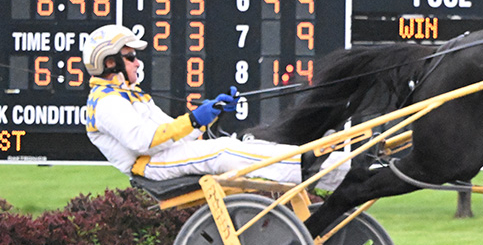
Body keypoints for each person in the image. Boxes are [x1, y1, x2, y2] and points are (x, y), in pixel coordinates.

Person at [82, 24, 346, 189]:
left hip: (164, 156)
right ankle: (308, 167)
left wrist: (210, 113)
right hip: (149, 165)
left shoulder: (129, 95)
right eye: (130, 57)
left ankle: (341, 165)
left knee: (247, 144)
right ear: (108, 63)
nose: (137, 63)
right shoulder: (106, 103)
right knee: (223, 150)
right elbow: (144, 141)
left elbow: (173, 132)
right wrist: (195, 119)